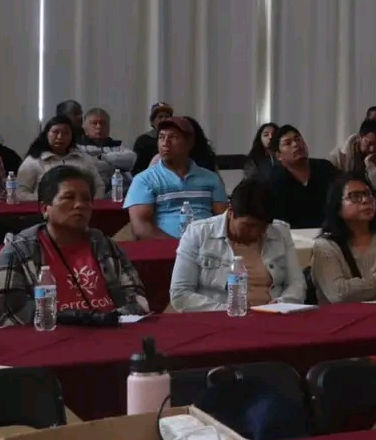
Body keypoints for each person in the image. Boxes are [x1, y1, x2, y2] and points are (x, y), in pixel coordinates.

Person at [0, 166, 149, 326]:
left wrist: (112, 320)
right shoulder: (18, 251)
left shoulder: (105, 245)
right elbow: (8, 313)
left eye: (86, 199)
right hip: (51, 337)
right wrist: (73, 320)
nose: (79, 205)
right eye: (69, 197)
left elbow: (136, 298)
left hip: (110, 333)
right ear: (45, 208)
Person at [169, 178, 306, 312]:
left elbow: (297, 284)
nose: (255, 233)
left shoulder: (280, 232)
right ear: (230, 212)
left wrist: (283, 304)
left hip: (273, 315)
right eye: (248, 226)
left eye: (263, 227)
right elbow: (180, 294)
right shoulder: (198, 233)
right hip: (220, 317)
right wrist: (227, 310)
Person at [310, 172, 376, 303]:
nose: (365, 200)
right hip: (343, 315)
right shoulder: (326, 246)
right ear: (338, 207)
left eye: (368, 194)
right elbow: (339, 295)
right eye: (355, 196)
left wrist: (366, 297)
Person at [124, 116, 228, 239]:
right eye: (161, 137)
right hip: (165, 247)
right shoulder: (144, 180)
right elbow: (140, 226)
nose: (165, 143)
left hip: (207, 245)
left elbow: (223, 219)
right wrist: (178, 246)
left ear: (189, 143)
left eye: (173, 137)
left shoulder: (211, 179)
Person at [267, 125, 340, 229]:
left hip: (329, 232)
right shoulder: (273, 181)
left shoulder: (325, 167)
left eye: (298, 139)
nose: (295, 144)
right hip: (292, 235)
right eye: (288, 143)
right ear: (279, 155)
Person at [17, 116, 105, 202]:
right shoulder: (33, 160)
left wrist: (91, 202)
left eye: (66, 133)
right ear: (47, 134)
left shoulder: (83, 158)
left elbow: (99, 185)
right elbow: (20, 192)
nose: (60, 137)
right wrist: (47, 202)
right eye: (55, 132)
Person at [77, 108, 138, 188]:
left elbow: (131, 160)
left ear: (108, 127)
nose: (99, 127)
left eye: (102, 123)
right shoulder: (78, 145)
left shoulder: (118, 144)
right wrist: (116, 164)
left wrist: (102, 157)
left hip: (119, 189)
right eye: (94, 123)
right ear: (85, 127)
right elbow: (85, 165)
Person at [328, 119, 376, 187]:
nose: (372, 149)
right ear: (359, 137)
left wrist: (371, 166)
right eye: (369, 143)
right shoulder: (338, 156)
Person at [133, 102, 175, 174]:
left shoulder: (177, 140)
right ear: (152, 122)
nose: (164, 120)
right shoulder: (143, 141)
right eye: (160, 117)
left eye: (167, 117)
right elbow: (137, 169)